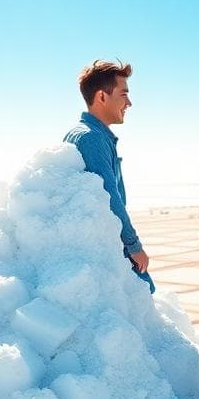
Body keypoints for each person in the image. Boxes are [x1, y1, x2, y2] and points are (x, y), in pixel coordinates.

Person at [64, 59, 154, 293]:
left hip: (99, 244)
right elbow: (108, 196)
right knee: (144, 295)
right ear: (102, 97)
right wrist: (133, 245)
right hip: (109, 247)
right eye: (124, 94)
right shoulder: (92, 138)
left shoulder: (81, 134)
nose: (129, 103)